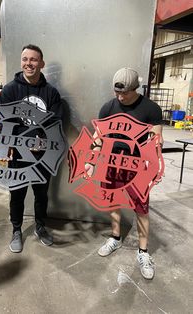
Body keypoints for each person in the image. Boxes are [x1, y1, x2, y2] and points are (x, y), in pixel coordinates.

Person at [85, 67, 163, 279]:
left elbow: (155, 142)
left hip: (138, 168)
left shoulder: (151, 109)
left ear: (135, 88)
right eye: (116, 92)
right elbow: (98, 136)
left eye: (125, 93)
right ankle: (115, 237)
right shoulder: (108, 107)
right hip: (111, 164)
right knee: (113, 202)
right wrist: (91, 160)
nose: (120, 97)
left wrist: (153, 164)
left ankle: (143, 252)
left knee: (141, 209)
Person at [0, 44, 63, 253]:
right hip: (18, 154)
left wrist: (41, 140)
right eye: (25, 59)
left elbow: (55, 121)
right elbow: (5, 121)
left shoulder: (51, 93)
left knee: (41, 194)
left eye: (33, 60)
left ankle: (40, 227)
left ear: (41, 63)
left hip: (43, 155)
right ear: (21, 62)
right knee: (16, 193)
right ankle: (16, 229)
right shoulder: (10, 90)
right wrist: (9, 144)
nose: (29, 64)